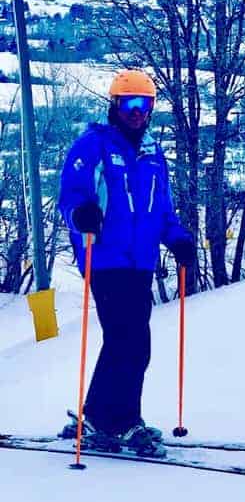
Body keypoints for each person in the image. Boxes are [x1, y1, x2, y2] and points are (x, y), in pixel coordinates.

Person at [58, 69, 193, 457]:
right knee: (131, 341)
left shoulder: (153, 154)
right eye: (129, 104)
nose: (137, 112)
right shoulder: (93, 145)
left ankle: (98, 414)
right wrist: (81, 213)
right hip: (105, 257)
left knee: (125, 340)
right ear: (114, 105)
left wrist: (179, 239)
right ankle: (122, 422)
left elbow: (161, 210)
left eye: (145, 105)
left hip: (141, 262)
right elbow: (72, 195)